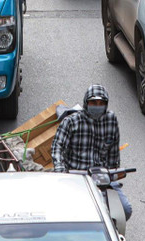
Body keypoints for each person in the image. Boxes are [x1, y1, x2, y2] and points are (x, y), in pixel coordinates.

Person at [51, 85, 130, 220]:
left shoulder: (111, 120)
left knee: (125, 210)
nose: (97, 106)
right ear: (86, 103)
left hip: (102, 179)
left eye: (101, 103)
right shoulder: (71, 122)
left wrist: (113, 174)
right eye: (93, 102)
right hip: (77, 177)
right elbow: (57, 147)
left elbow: (113, 155)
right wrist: (60, 169)